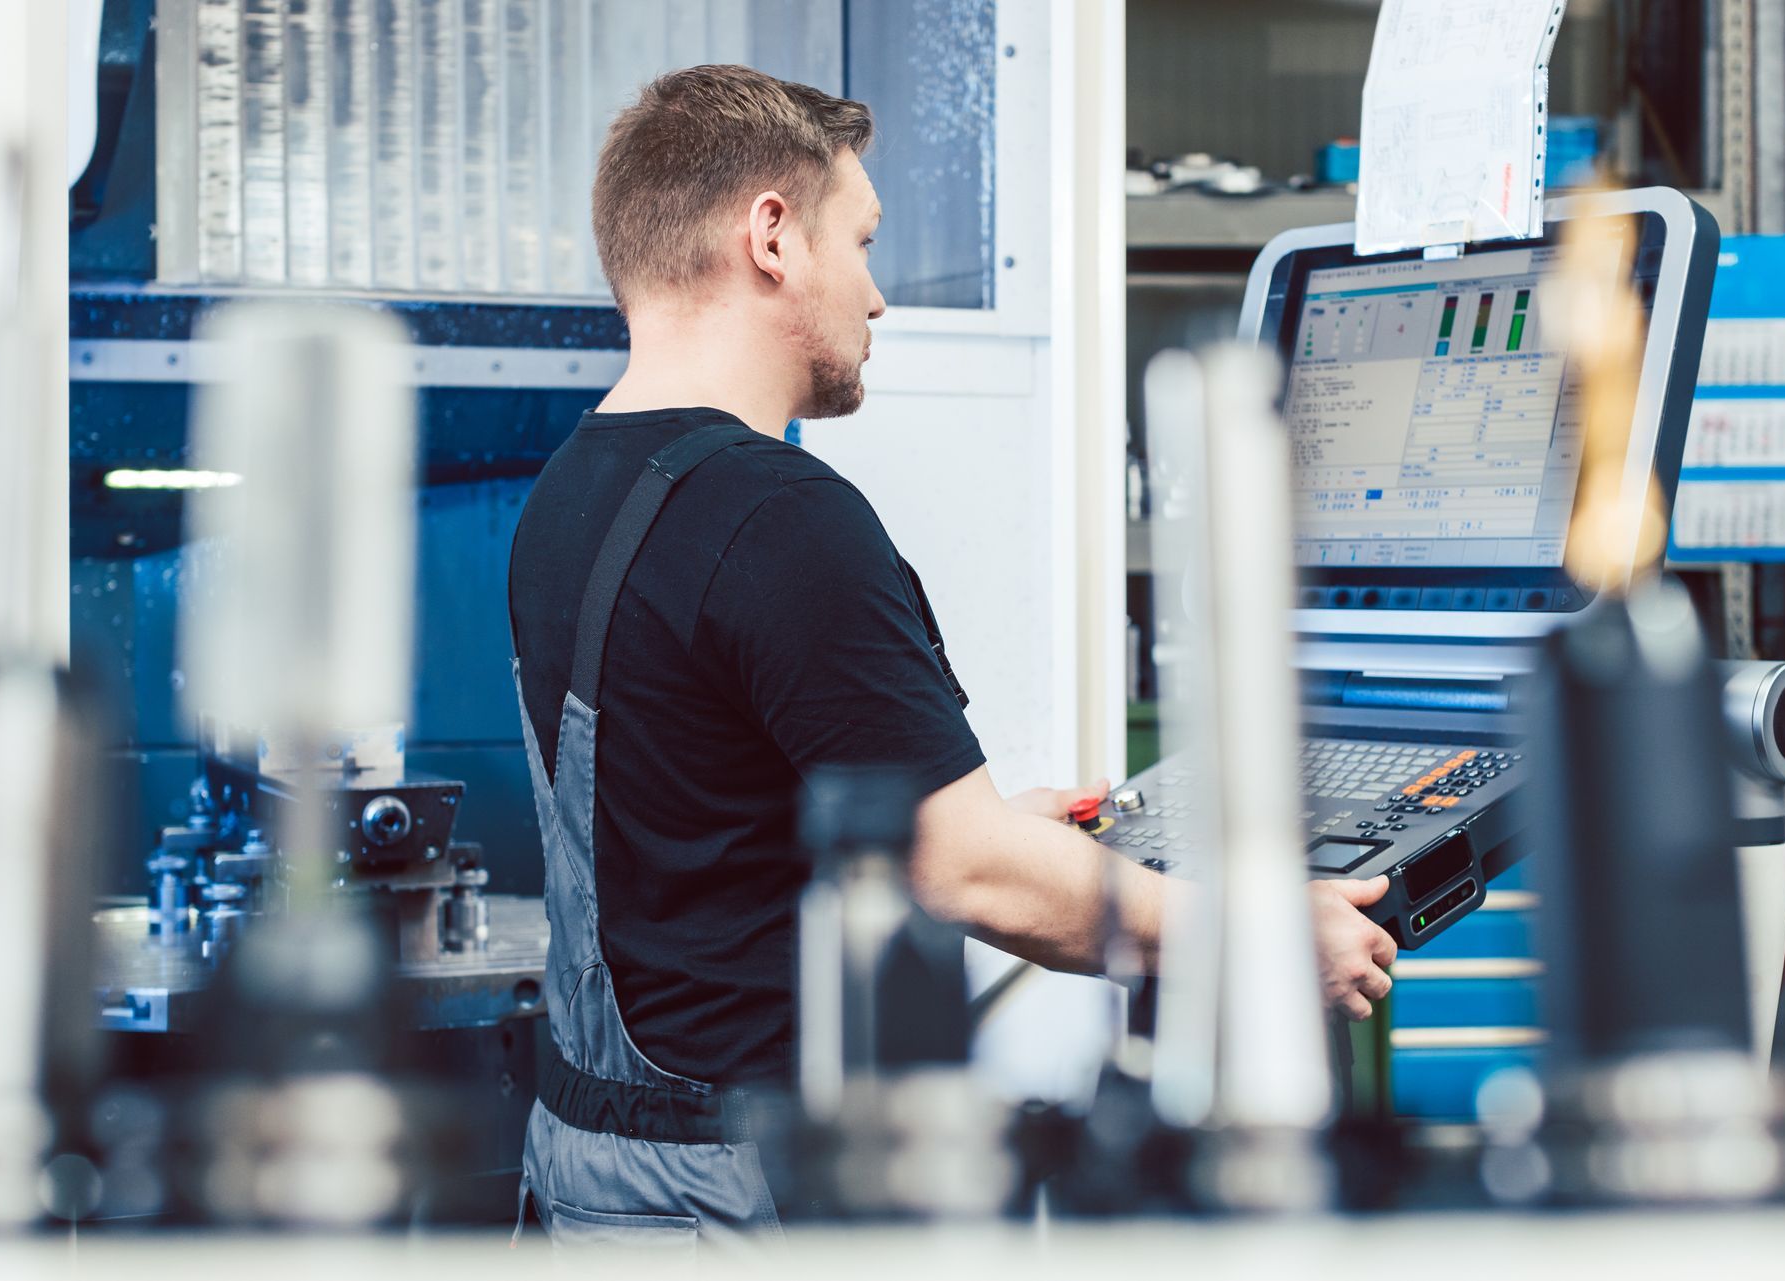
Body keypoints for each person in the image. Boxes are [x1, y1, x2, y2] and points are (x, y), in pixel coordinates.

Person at [505, 64, 1395, 1245]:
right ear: (772, 235)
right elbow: (968, 874)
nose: (876, 297)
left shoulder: (568, 493)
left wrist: (950, 814)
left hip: (587, 1176)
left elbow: (687, 837)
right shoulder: (777, 516)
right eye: (861, 241)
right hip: (733, 1195)